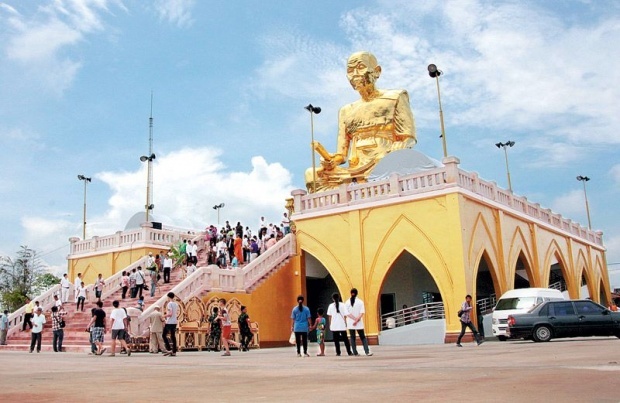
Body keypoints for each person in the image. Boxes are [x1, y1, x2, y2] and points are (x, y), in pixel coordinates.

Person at [305, 51, 416, 192]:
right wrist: (331, 160)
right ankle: (334, 205)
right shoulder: (346, 110)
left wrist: (395, 149)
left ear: (377, 71)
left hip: (383, 161)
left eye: (361, 67)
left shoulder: (395, 97)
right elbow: (342, 155)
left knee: (382, 169)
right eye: (350, 70)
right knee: (312, 174)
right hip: (354, 168)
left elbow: (408, 139)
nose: (355, 74)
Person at [345, 288, 373, 356]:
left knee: (352, 337)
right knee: (362, 337)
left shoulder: (347, 302)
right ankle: (367, 351)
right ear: (357, 293)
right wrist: (357, 320)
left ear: (350, 293)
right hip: (359, 322)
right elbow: (362, 313)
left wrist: (354, 319)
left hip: (350, 322)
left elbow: (347, 313)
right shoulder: (360, 302)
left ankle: (355, 352)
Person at [327, 292, 352, 356]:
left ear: (333, 299)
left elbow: (329, 316)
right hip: (342, 325)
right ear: (339, 297)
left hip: (334, 325)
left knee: (336, 340)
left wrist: (330, 324)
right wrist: (345, 322)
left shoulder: (330, 306)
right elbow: (346, 315)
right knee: (345, 339)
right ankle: (349, 352)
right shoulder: (343, 305)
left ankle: (338, 352)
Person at [163, 292, 178, 357]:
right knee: (173, 336)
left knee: (163, 335)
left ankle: (169, 349)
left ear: (168, 297)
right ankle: (174, 351)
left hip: (169, 322)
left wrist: (164, 316)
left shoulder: (169, 304)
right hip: (174, 321)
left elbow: (170, 313)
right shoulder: (176, 304)